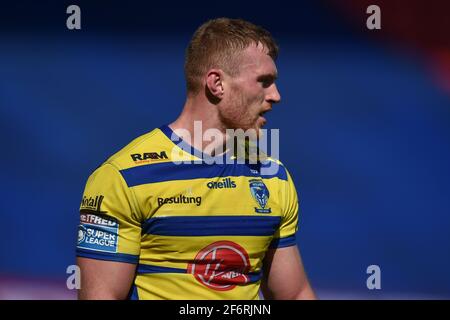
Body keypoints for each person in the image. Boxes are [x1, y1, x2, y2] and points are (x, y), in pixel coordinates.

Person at [76, 17, 316, 300]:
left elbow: (295, 294)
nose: (276, 96)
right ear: (217, 84)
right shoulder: (123, 177)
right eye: (264, 82)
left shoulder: (272, 177)